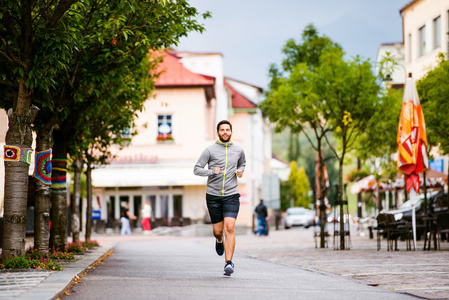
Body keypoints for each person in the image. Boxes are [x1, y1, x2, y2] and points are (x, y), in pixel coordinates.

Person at [194, 120, 246, 276]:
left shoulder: (238, 150)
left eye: (227, 130)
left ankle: (228, 263)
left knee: (229, 227)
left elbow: (242, 164)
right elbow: (196, 169)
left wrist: (240, 171)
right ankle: (219, 240)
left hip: (231, 194)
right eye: (222, 130)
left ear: (231, 132)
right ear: (217, 132)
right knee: (218, 231)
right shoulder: (209, 150)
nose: (225, 132)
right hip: (213, 196)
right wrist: (211, 171)